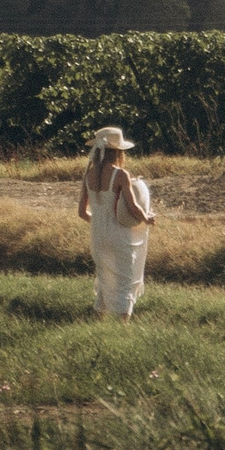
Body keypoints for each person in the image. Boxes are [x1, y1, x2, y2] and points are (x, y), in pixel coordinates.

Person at [76, 125, 155, 321]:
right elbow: (133, 207)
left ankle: (98, 319)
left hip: (97, 234)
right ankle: (122, 326)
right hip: (119, 234)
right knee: (126, 280)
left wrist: (99, 223)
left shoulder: (89, 174)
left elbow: (81, 212)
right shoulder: (120, 175)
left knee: (105, 278)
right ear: (118, 151)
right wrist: (147, 218)